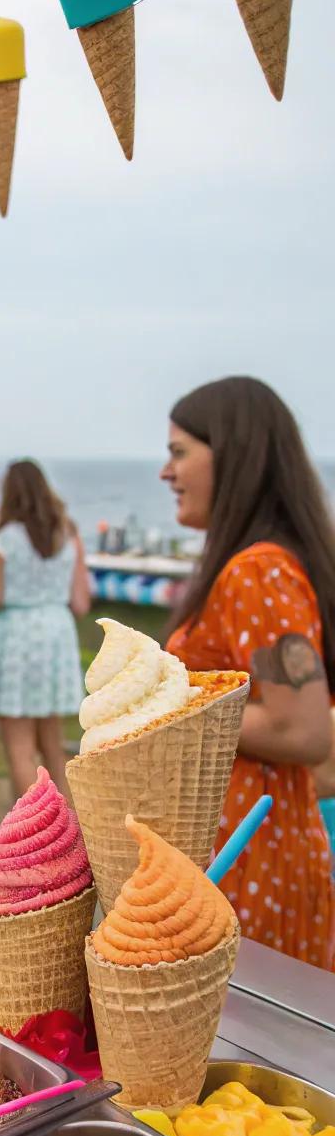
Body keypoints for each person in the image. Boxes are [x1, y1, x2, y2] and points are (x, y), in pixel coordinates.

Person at [162, 376, 335, 971]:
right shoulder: (258, 567)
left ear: (235, 456)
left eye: (179, 452)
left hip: (253, 857)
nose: (166, 472)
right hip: (250, 848)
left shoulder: (258, 571)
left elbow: (303, 730)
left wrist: (170, 702)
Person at [0, 459, 89, 798]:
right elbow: (81, 603)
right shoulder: (67, 535)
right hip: (57, 635)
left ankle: (34, 838)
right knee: (52, 746)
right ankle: (66, 832)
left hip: (17, 638)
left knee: (20, 748)